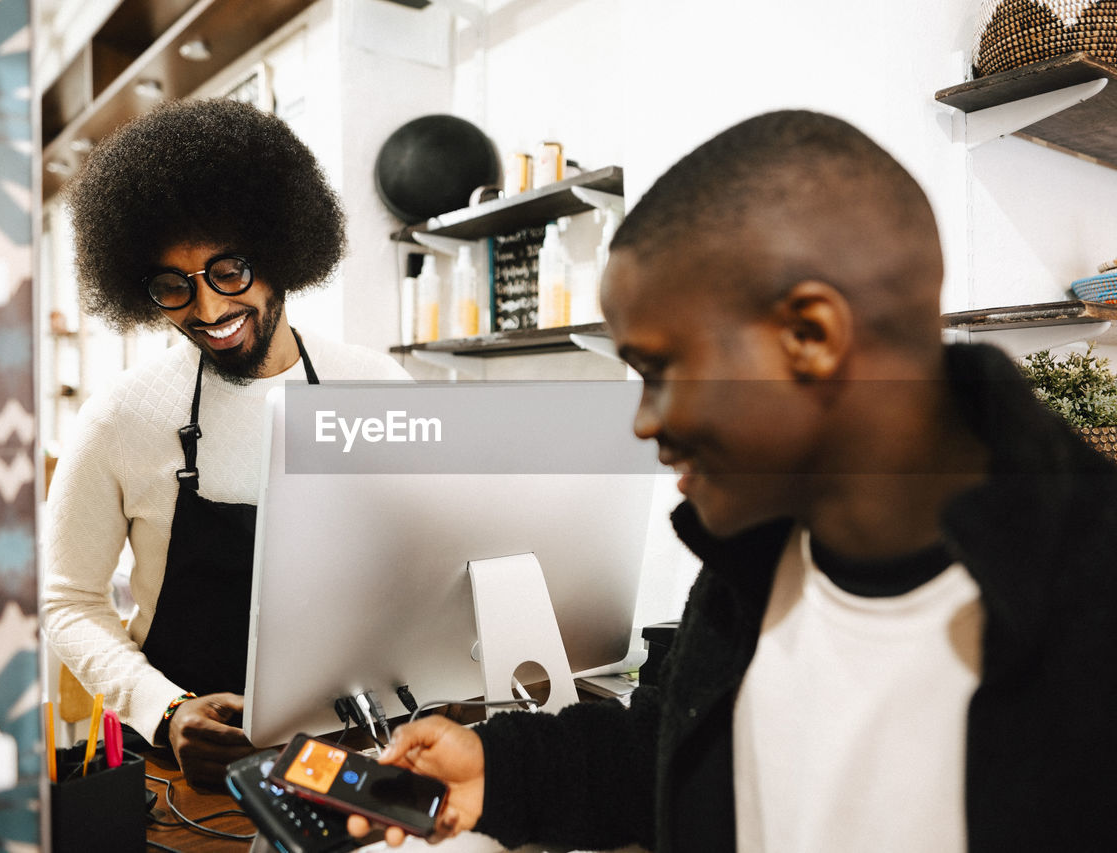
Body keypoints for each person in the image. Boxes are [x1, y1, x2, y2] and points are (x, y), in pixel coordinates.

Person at [349, 110, 1117, 850]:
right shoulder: (760, 551)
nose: (643, 421)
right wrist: (505, 769)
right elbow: (686, 741)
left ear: (809, 336)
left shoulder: (1087, 612)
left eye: (658, 370)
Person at [42, 98, 411, 789]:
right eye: (173, 287)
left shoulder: (377, 387)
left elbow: (425, 561)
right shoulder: (121, 417)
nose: (208, 310)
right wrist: (166, 709)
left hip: (358, 757)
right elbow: (68, 600)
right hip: (189, 775)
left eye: (229, 272)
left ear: (281, 254)